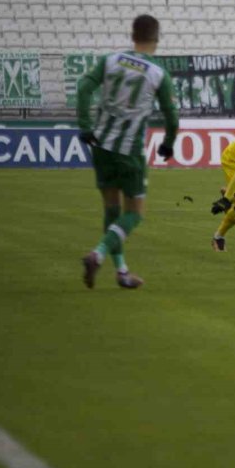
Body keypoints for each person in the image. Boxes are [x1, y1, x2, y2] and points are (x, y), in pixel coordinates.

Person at [77, 15, 180, 289]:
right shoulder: (158, 73)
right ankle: (97, 255)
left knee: (112, 209)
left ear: (132, 35)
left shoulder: (110, 60)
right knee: (134, 213)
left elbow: (84, 87)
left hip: (101, 145)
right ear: (157, 39)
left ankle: (121, 272)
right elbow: (171, 115)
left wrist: (85, 125)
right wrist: (169, 143)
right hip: (129, 151)